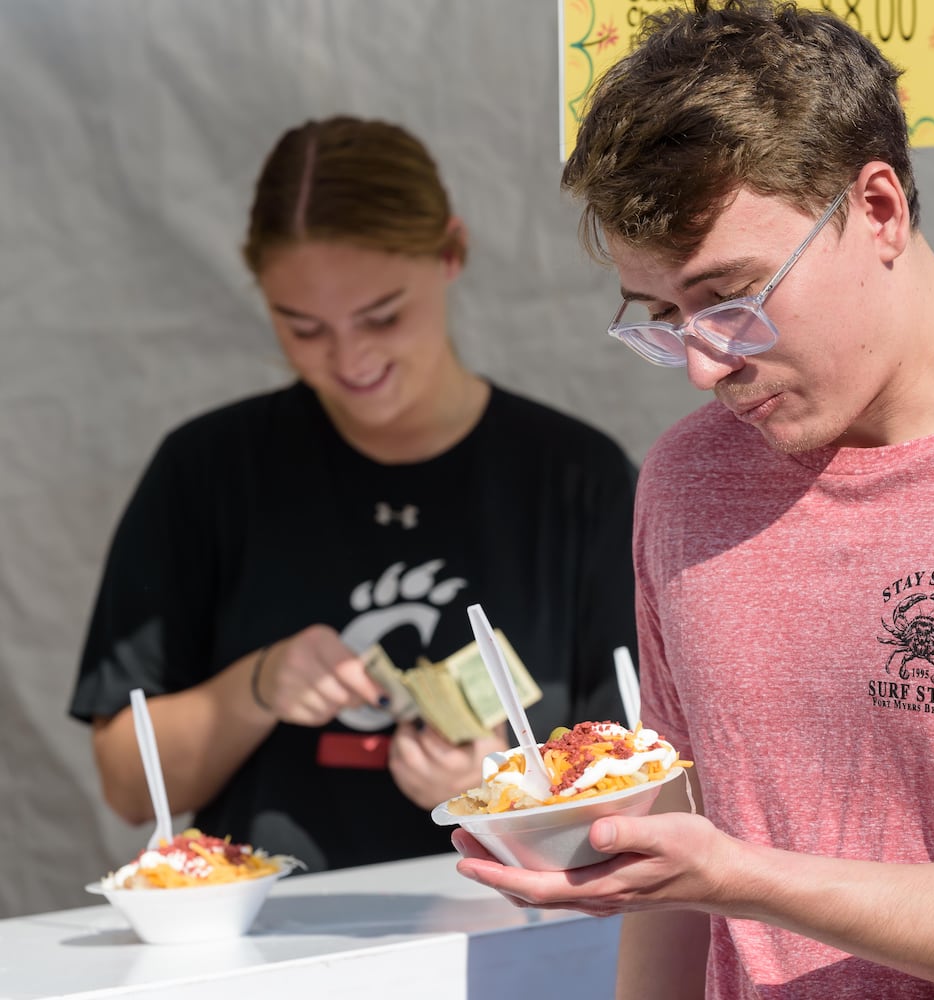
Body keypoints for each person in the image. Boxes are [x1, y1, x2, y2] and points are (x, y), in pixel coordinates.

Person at [450, 3, 934, 1000]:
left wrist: (748, 879)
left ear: (878, 209)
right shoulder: (687, 479)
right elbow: (674, 864)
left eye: (732, 297)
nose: (703, 364)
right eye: (661, 319)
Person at [69, 115, 638, 873]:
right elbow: (128, 787)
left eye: (382, 316)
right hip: (270, 948)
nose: (350, 357)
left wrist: (501, 787)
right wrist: (258, 685)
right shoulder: (207, 468)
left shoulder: (577, 477)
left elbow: (647, 779)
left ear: (452, 253)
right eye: (302, 328)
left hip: (517, 938)